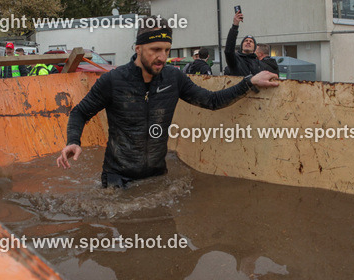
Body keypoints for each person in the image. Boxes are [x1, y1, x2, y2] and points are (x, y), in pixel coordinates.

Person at [57, 18, 279, 187]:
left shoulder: (174, 78)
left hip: (156, 178)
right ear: (138, 49)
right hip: (118, 180)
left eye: (166, 50)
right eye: (155, 50)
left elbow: (211, 101)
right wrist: (73, 140)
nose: (162, 57)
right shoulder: (113, 81)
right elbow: (80, 113)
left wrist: (249, 81)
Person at [224, 10, 271, 76]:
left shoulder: (260, 65)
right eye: (246, 41)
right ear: (242, 46)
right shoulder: (235, 60)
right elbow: (228, 51)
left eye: (251, 41)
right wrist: (235, 26)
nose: (248, 42)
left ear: (254, 48)